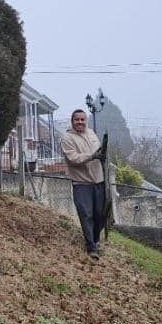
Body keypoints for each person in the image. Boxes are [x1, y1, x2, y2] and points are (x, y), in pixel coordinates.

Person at [61, 109, 104, 260]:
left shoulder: (92, 133)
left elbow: (100, 151)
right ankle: (91, 247)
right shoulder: (67, 138)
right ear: (72, 121)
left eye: (82, 120)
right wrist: (92, 156)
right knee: (86, 214)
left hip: (98, 180)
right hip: (81, 183)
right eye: (77, 120)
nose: (80, 122)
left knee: (99, 214)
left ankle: (96, 240)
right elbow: (74, 158)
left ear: (86, 121)